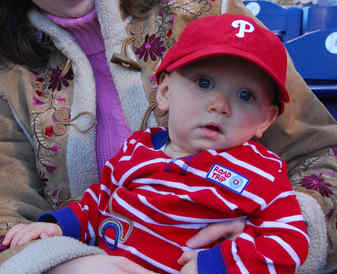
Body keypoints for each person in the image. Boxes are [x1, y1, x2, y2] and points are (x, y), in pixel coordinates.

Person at [0, 0, 336, 273]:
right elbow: (9, 215)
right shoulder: (10, 80)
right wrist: (70, 265)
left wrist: (264, 243)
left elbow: (321, 153)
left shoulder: (210, 12)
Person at [3, 14, 310, 274]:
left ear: (265, 120)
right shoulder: (138, 148)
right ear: (164, 92)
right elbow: (99, 202)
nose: (220, 105)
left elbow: (290, 241)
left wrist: (219, 264)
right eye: (203, 83)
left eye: (245, 95)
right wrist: (59, 225)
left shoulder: (262, 171)